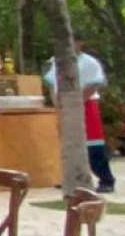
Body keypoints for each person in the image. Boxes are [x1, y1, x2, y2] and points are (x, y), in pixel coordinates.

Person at [43, 42, 116, 192]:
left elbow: (93, 85)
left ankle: (106, 180)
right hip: (64, 106)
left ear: (80, 43)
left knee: (93, 144)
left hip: (85, 105)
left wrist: (76, 103)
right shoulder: (58, 61)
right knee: (68, 145)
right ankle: (73, 178)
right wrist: (57, 103)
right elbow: (52, 84)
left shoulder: (89, 63)